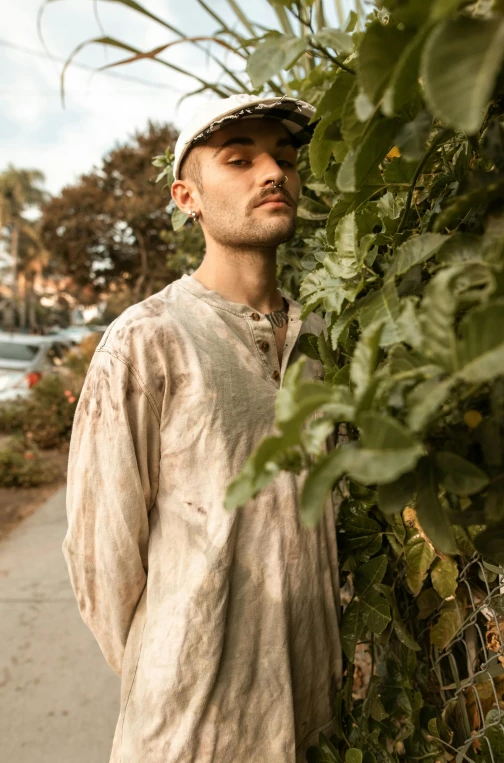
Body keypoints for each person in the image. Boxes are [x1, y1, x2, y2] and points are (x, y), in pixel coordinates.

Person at [63, 94, 343, 763]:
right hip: (193, 734)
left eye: (283, 156)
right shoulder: (147, 340)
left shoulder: (323, 337)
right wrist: (177, 668)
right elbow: (103, 562)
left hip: (317, 719)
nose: (271, 172)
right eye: (239, 159)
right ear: (187, 196)